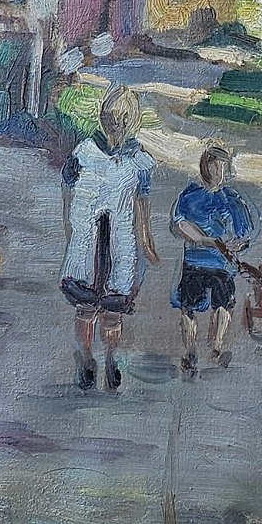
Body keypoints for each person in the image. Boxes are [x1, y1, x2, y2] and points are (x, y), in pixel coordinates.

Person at [59, 85, 160, 391]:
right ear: (103, 118)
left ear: (133, 120)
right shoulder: (85, 152)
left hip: (121, 241)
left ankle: (112, 358)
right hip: (88, 240)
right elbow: (67, 186)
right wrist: (70, 226)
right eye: (111, 117)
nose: (116, 123)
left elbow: (142, 203)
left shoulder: (139, 160)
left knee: (113, 310)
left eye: (123, 118)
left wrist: (146, 239)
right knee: (85, 307)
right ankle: (85, 358)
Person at [170, 141, 259, 374]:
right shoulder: (190, 195)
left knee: (223, 305)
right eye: (213, 166)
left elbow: (244, 233)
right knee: (187, 307)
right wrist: (205, 240)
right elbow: (180, 224)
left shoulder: (231, 199)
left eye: (221, 167)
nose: (217, 172)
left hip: (222, 265)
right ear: (204, 167)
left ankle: (217, 347)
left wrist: (237, 245)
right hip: (194, 261)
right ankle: (190, 352)